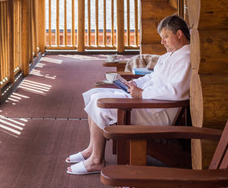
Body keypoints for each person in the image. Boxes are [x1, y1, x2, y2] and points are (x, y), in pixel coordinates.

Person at [66, 15, 191, 175]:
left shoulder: (185, 59)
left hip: (157, 111)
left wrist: (142, 94)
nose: (162, 42)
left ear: (179, 34)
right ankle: (92, 149)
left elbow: (176, 92)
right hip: (149, 103)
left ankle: (97, 160)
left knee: (99, 101)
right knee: (93, 95)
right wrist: (135, 84)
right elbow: (152, 77)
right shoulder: (169, 56)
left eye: (165, 37)